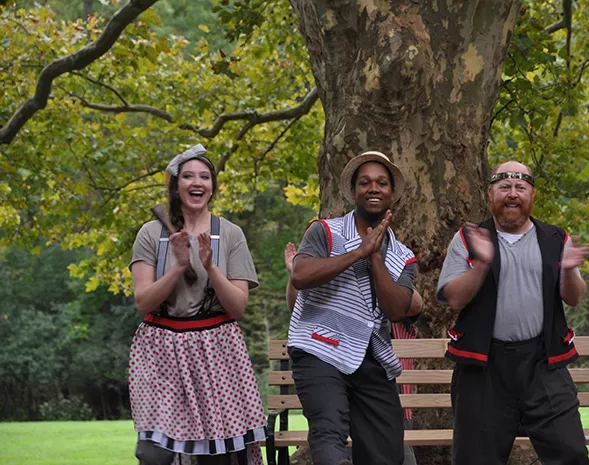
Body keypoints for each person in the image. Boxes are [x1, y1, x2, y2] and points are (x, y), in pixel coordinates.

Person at [437, 161, 589, 465]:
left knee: (571, 453)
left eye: (520, 187)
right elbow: (453, 299)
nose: (512, 194)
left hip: (543, 364)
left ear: (531, 195)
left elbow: (573, 298)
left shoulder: (555, 239)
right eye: (504, 187)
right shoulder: (469, 238)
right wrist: (481, 264)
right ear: (491, 193)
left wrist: (570, 270)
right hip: (483, 368)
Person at [128, 144, 266, 465]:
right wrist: (177, 266)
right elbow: (142, 302)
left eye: (205, 176)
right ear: (175, 185)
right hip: (160, 346)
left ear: (212, 187)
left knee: (220, 453)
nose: (197, 182)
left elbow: (238, 306)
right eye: (188, 176)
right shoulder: (151, 234)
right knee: (153, 453)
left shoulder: (229, 234)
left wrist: (210, 266)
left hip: (217, 346)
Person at [287, 151, 421, 465]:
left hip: (370, 358)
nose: (373, 188)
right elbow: (302, 274)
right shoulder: (324, 231)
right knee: (328, 433)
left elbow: (397, 310)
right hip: (319, 350)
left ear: (391, 194)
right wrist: (359, 252)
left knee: (387, 451)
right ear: (353, 191)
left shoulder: (403, 256)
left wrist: (375, 256)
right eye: (365, 183)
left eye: (381, 183)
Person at [284, 242, 421, 465]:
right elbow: (296, 307)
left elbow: (413, 305)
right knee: (333, 442)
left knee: (392, 453)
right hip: (336, 383)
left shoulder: (394, 267)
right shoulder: (332, 279)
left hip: (382, 394)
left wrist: (376, 266)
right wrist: (296, 276)